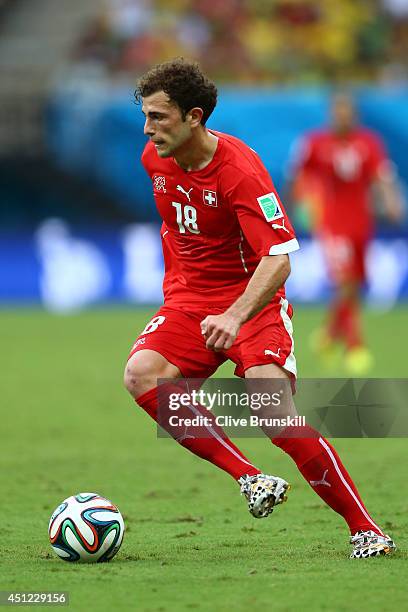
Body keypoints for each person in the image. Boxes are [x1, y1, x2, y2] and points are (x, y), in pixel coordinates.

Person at [124, 59, 395, 558]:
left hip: (253, 298)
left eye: (159, 117)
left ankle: (366, 529)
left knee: (272, 410)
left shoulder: (241, 171)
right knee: (142, 374)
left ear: (194, 117)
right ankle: (250, 478)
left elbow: (279, 259)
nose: (148, 129)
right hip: (189, 300)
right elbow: (181, 225)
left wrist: (234, 314)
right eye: (146, 116)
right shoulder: (153, 158)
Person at [288, 93, 403, 374]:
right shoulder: (315, 142)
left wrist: (391, 201)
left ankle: (328, 336)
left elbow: (382, 176)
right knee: (345, 282)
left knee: (355, 284)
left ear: (354, 114)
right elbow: (298, 176)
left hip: (361, 223)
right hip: (331, 222)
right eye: (338, 111)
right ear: (331, 114)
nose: (343, 116)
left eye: (347, 111)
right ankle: (355, 346)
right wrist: (296, 206)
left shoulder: (369, 142)